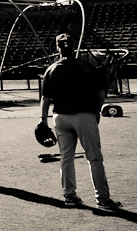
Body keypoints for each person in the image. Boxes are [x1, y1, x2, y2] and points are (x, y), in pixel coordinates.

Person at [40, 33, 121, 210]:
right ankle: (103, 199)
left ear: (57, 48)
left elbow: (45, 98)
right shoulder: (86, 66)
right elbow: (101, 93)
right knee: (94, 158)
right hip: (84, 116)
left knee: (66, 158)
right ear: (74, 46)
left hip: (60, 117)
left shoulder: (51, 69)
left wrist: (43, 120)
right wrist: (97, 112)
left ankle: (70, 195)